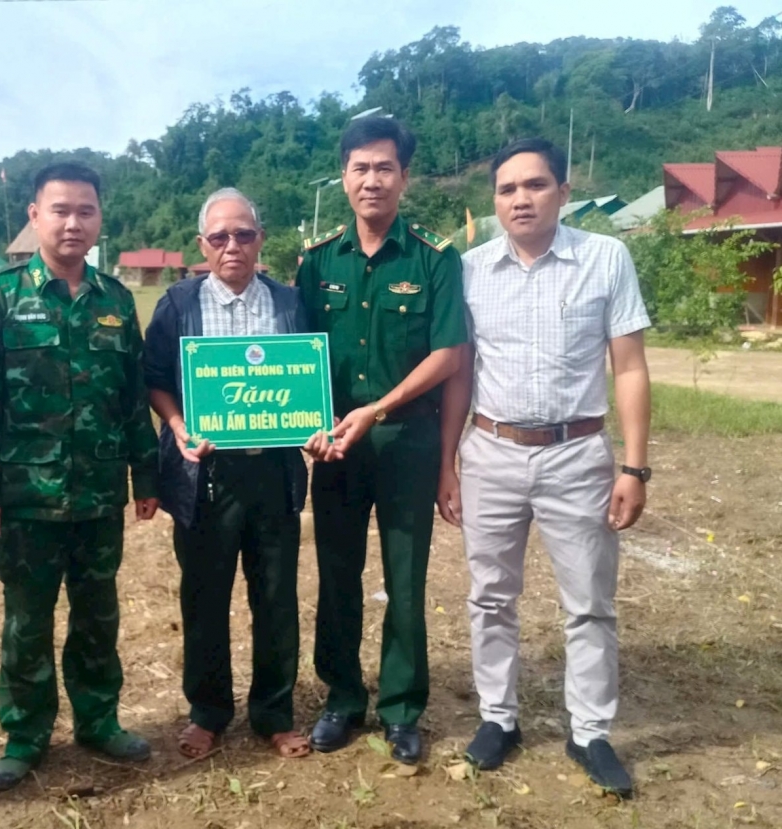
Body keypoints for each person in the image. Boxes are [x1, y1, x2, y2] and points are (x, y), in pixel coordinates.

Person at [437, 137, 650, 798]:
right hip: (492, 450)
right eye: (507, 189)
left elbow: (630, 366)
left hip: (577, 454)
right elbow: (461, 373)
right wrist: (447, 461)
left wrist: (635, 467)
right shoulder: (469, 270)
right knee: (490, 595)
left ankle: (590, 731)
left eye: (535, 185)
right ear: (495, 200)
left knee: (589, 601)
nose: (521, 199)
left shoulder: (605, 258)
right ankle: (498, 718)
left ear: (564, 191)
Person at [0, 162, 160, 791]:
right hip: (27, 497)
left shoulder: (116, 300)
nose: (74, 223)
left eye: (86, 211)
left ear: (99, 218)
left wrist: (146, 476)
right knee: (28, 621)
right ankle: (25, 735)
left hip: (99, 493)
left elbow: (132, 399)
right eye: (60, 210)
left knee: (98, 616)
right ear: (34, 216)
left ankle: (99, 720)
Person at [297, 116, 468, 763]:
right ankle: (342, 698)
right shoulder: (316, 263)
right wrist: (305, 424)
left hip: (407, 443)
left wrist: (379, 409)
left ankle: (401, 707)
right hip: (336, 446)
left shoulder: (434, 258)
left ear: (405, 176)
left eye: (385, 168)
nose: (372, 180)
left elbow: (449, 353)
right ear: (343, 176)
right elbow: (297, 357)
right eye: (360, 168)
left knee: (406, 577)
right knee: (338, 574)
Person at [143, 188, 311, 761]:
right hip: (206, 479)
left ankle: (274, 714)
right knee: (204, 599)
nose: (232, 245)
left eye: (243, 234)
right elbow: (156, 378)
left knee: (276, 598)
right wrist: (177, 424)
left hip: (274, 473)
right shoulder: (178, 304)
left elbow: (311, 377)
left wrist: (315, 422)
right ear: (202, 245)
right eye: (219, 236)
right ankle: (208, 713)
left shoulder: (290, 303)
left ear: (260, 239)